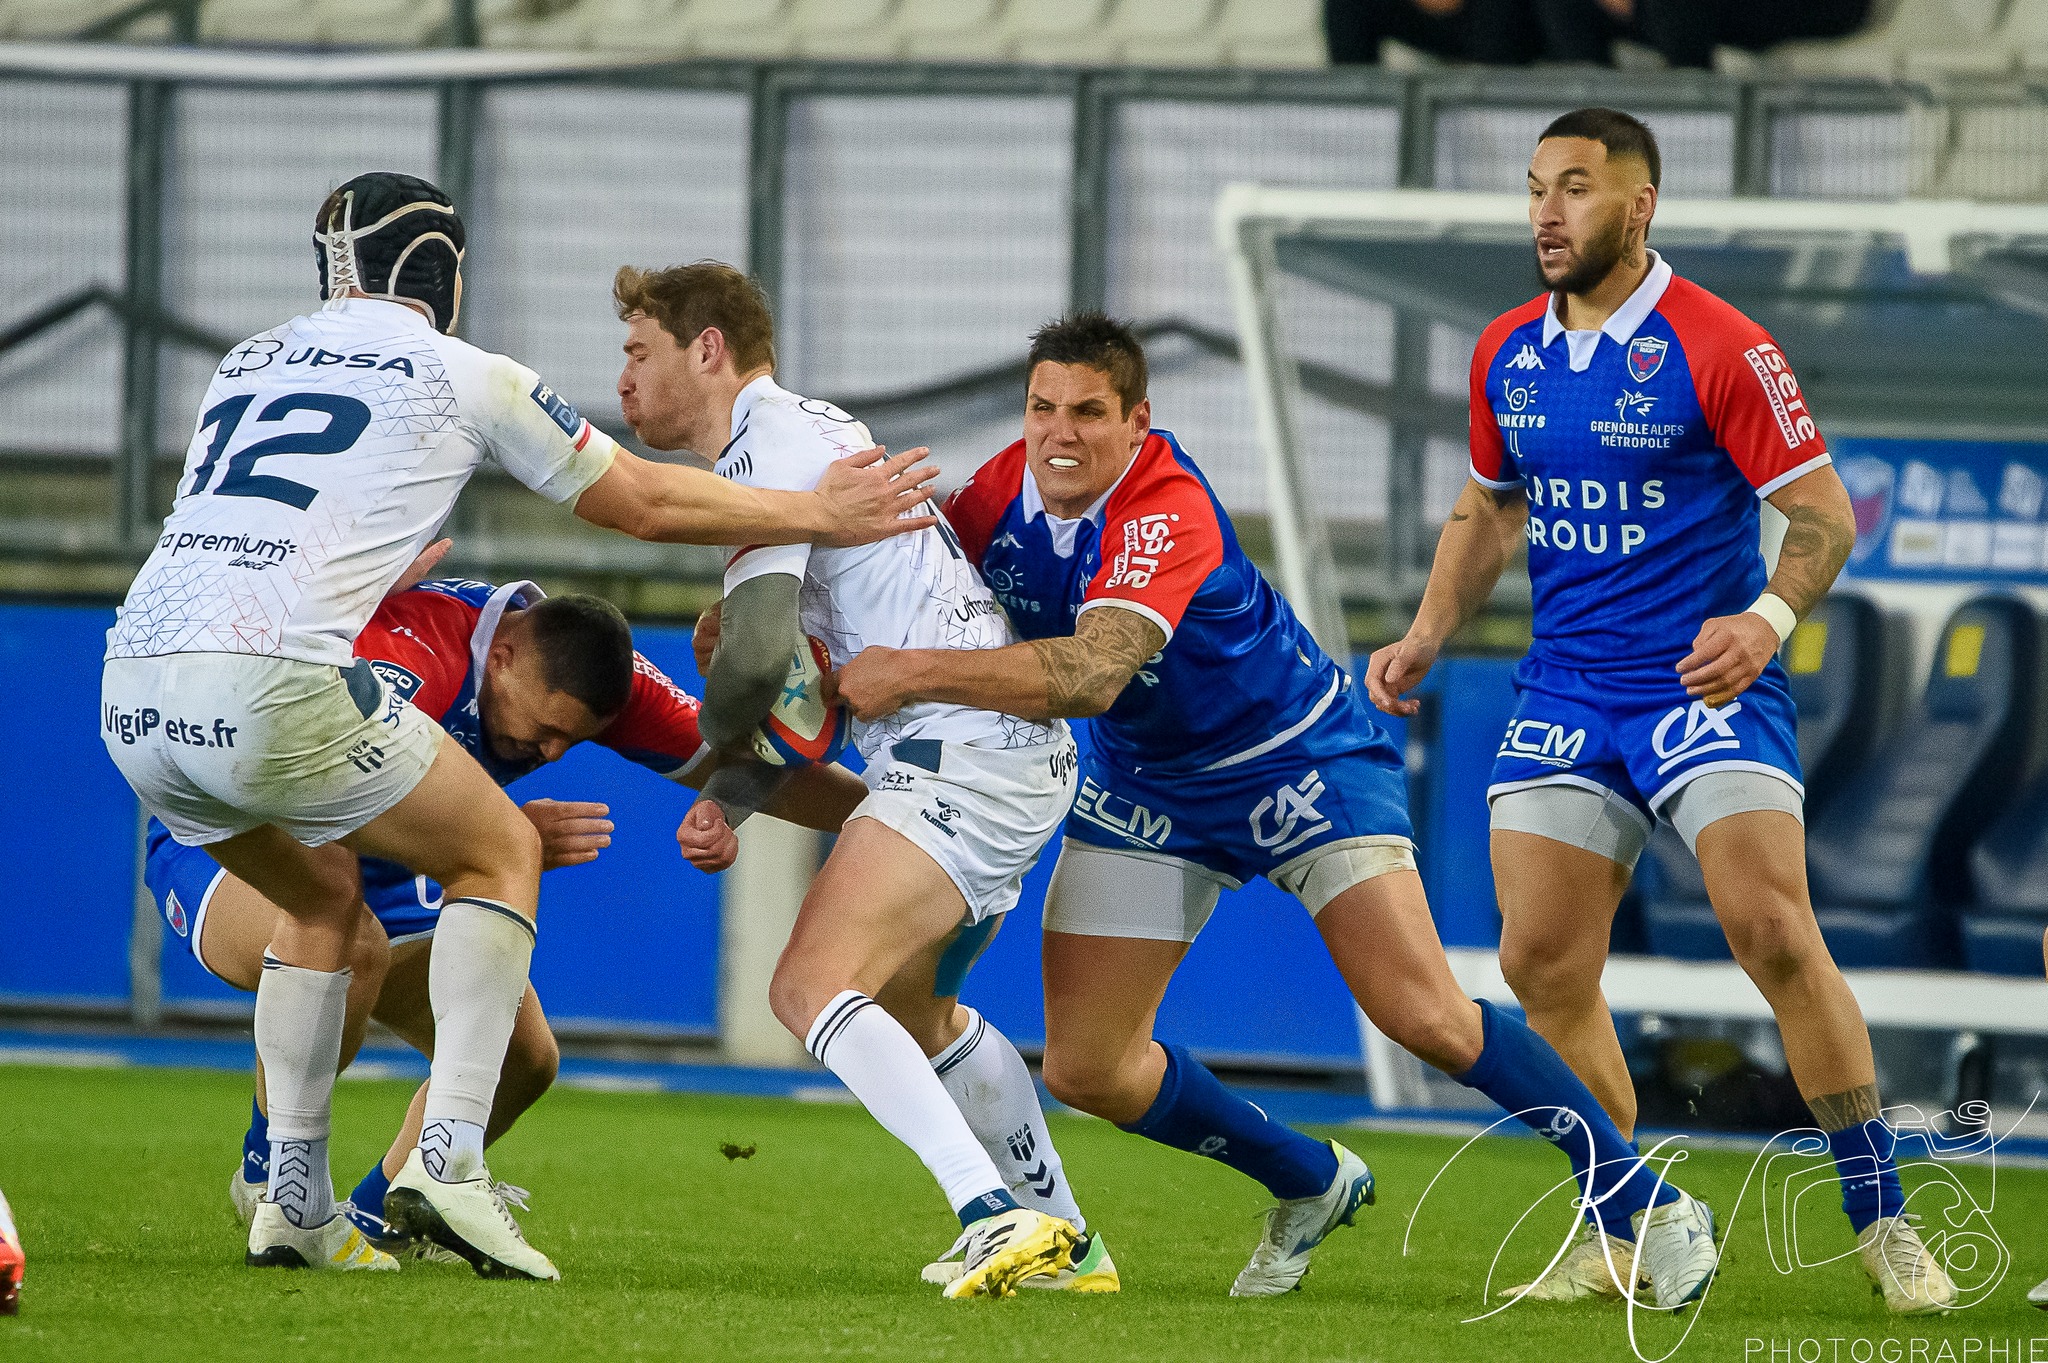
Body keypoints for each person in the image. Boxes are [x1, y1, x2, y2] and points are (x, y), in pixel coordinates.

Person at [99, 172, 936, 1279]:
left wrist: (889, 818)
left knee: (335, 911)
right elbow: (642, 501)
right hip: (270, 686)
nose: (546, 749)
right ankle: (446, 1166)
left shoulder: (248, 361)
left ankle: (297, 1202)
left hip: (134, 683)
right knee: (498, 846)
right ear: (445, 274)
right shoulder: (464, 372)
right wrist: (817, 511)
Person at [832, 311, 1720, 1307]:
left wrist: (904, 672)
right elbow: (904, 588)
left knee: (1421, 1015)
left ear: (1136, 421)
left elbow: (1090, 673)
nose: (1060, 434)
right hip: (1148, 784)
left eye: (1088, 412)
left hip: (1296, 762)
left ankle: (1649, 1206)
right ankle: (1309, 1178)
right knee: (1088, 1069)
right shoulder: (995, 495)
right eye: (1043, 408)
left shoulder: (1164, 507)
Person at [1364, 107, 1953, 1314]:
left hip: (1699, 683)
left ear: (1637, 205)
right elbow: (1487, 509)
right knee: (1537, 960)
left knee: (1770, 929)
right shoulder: (1505, 353)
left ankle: (1881, 1217)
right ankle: (1628, 1225)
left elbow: (1821, 514)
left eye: (1573, 188)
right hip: (1566, 686)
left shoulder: (1721, 345)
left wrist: (1765, 621)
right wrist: (1425, 632)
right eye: (1535, 187)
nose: (1545, 212)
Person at [147, 563, 866, 1257]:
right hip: (240, 839)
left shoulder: (586, 670)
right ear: (503, 655)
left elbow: (753, 764)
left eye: (571, 742)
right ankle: (269, 1169)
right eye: (545, 729)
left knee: (523, 1059)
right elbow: (312, 802)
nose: (550, 752)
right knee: (347, 939)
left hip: (385, 867)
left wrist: (890, 821)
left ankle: (380, 1216)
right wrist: (495, 833)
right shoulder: (413, 657)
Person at [615, 260, 1091, 1299]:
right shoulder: (806, 434)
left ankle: (991, 1215)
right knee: (918, 1016)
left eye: (639, 350)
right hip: (1002, 753)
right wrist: (733, 792)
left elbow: (754, 669)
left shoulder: (766, 448)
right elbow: (806, 693)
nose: (623, 379)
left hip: (960, 752)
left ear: (707, 350)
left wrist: (717, 731)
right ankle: (1067, 1240)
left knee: (806, 986)